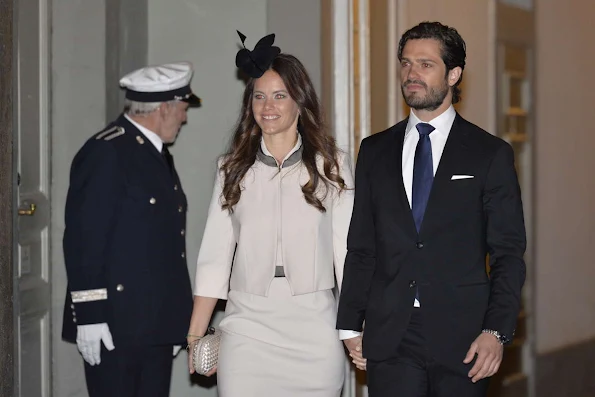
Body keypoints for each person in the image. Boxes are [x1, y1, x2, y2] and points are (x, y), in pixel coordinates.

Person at [337, 21, 527, 396]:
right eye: (406, 64)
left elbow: (508, 252)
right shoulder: (374, 151)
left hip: (465, 337)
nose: (412, 74)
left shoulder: (489, 154)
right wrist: (349, 324)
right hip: (391, 334)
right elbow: (362, 246)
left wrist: (496, 330)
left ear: (453, 74)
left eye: (426, 64)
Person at [187, 32, 354, 396]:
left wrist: (354, 329)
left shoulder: (333, 167)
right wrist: (196, 335)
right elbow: (214, 259)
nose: (268, 106)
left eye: (280, 95)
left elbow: (346, 255)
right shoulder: (230, 168)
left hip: (314, 328)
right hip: (247, 327)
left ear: (300, 101)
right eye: (259, 96)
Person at [61, 61, 201, 397]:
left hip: (153, 324)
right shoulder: (107, 151)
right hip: (115, 325)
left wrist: (172, 320)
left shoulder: (154, 153)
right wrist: (90, 315)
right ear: (163, 108)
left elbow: (165, 247)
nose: (184, 118)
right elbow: (84, 240)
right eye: (182, 109)